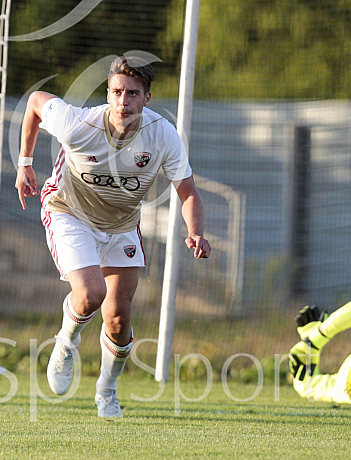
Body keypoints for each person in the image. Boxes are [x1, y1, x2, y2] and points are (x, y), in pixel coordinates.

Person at [15, 55, 211, 417]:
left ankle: (106, 391)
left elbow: (188, 191)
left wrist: (195, 231)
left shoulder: (163, 135)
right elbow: (35, 102)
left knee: (119, 320)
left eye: (133, 94)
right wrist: (25, 164)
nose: (124, 102)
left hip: (120, 225)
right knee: (91, 293)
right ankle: (66, 342)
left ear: (147, 98)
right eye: (117, 92)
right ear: (107, 93)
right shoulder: (78, 123)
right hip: (69, 211)